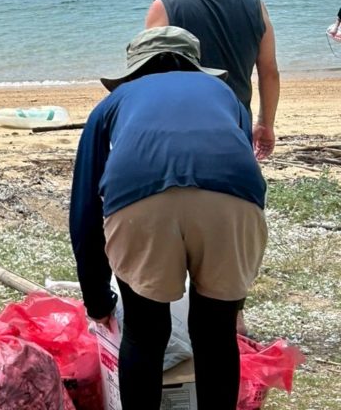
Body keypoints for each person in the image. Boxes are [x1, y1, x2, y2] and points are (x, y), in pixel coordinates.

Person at [70, 26, 267, 410]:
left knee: (144, 333)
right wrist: (234, 302)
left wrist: (97, 301)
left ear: (135, 70)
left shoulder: (114, 103)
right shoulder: (225, 95)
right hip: (233, 201)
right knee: (215, 334)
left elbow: (84, 213)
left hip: (139, 201)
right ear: (194, 65)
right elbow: (243, 169)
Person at [145, 0, 279, 159]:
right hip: (236, 125)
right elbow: (269, 72)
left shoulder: (163, 8)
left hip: (183, 130)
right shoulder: (254, 4)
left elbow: (149, 82)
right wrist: (265, 124)